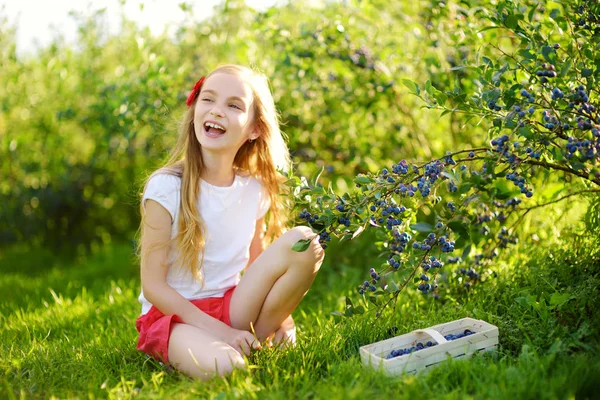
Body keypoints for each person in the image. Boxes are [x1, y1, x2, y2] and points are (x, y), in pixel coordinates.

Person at [135, 64, 325, 381]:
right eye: (208, 99)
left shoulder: (255, 188)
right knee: (229, 369)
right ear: (196, 110)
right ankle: (236, 345)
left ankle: (251, 339)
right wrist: (221, 333)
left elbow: (257, 261)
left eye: (233, 105)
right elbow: (153, 286)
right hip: (176, 317)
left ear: (254, 129)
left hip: (232, 305)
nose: (217, 111)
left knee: (306, 243)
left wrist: (283, 319)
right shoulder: (166, 187)